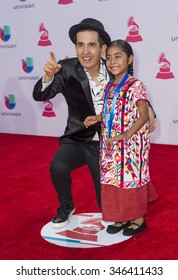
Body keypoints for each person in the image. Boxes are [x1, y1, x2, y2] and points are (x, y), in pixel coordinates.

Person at [33, 18, 156, 229]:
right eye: (80, 45)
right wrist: (47, 76)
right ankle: (66, 206)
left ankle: (130, 215)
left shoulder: (114, 66)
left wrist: (150, 110)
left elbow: (132, 91)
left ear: (102, 48)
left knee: (107, 203)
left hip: (108, 142)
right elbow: (40, 95)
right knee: (58, 166)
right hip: (78, 136)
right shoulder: (66, 68)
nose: (85, 51)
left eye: (91, 44)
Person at [84, 39, 158, 236]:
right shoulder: (109, 86)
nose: (112, 61)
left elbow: (143, 116)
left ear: (130, 59)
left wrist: (126, 134)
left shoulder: (136, 86)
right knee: (114, 180)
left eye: (118, 57)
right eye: (108, 58)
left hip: (131, 145)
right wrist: (97, 118)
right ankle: (122, 217)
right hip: (110, 145)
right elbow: (112, 112)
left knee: (129, 179)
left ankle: (138, 219)